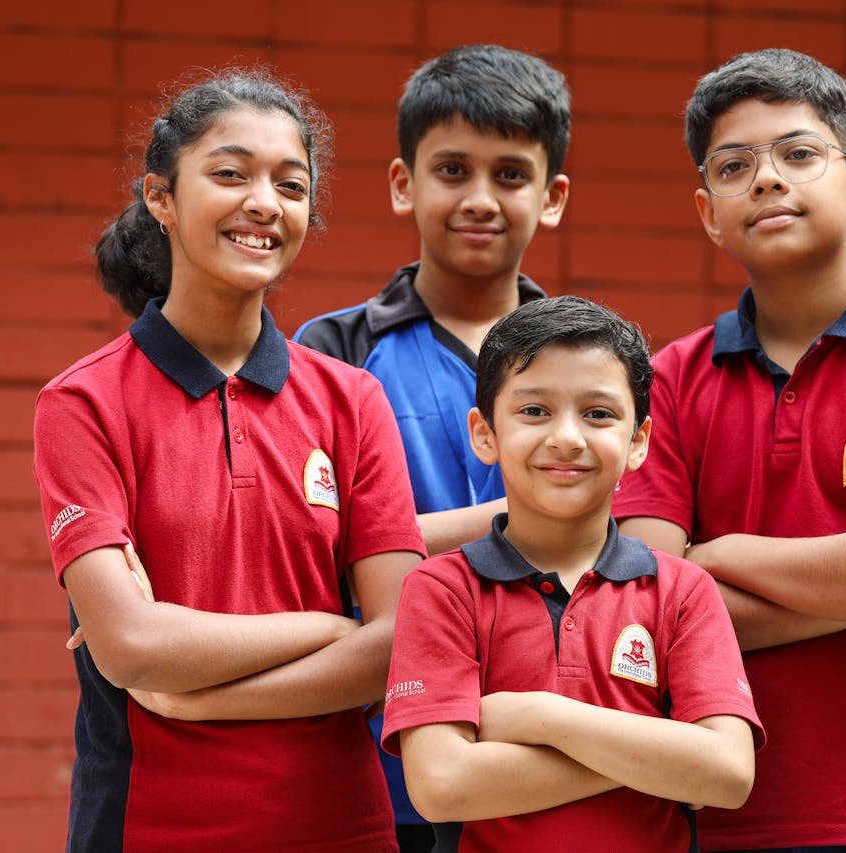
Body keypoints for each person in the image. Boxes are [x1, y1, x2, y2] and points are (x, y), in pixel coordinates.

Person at [613, 48, 846, 853]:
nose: (766, 179)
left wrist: (717, 554)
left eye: (798, 153)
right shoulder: (668, 380)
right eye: (734, 165)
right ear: (708, 211)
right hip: (709, 812)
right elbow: (643, 606)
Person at [32, 69, 425, 852]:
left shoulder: (352, 400)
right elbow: (132, 647)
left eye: (290, 184)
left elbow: (401, 643)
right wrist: (326, 624)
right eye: (230, 173)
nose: (263, 203)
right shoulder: (83, 403)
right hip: (147, 824)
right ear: (161, 198)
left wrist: (198, 695)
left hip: (339, 827)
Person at [293, 43, 571, 849]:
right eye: (452, 170)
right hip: (383, 760)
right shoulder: (333, 349)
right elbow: (322, 545)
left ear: (552, 196)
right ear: (402, 183)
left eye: (511, 175)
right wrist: (517, 515)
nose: (480, 198)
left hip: (551, 752)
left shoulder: (592, 358)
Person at [381, 295, 764, 853]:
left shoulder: (681, 590)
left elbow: (729, 775)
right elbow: (442, 785)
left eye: (599, 413)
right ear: (485, 433)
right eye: (534, 411)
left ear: (638, 441)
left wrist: (540, 715)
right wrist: (664, 758)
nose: (567, 437)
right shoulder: (443, 589)